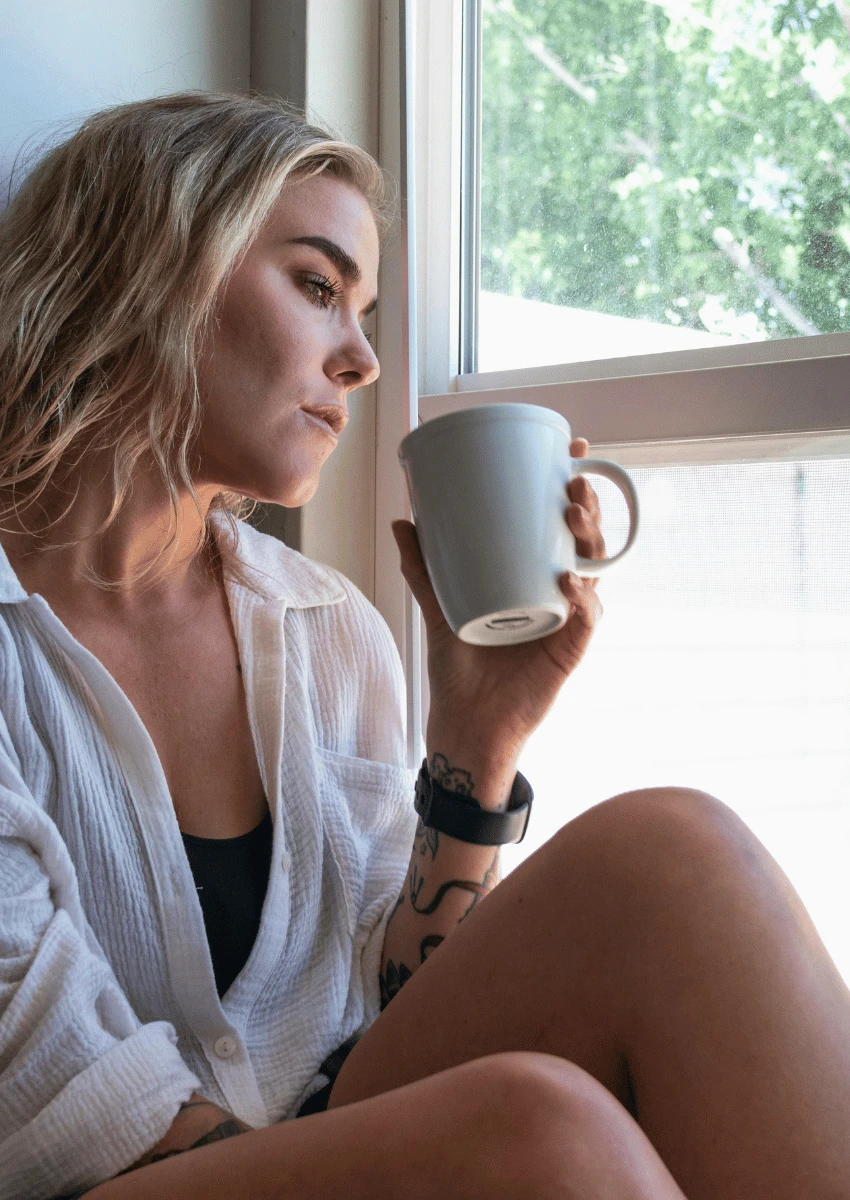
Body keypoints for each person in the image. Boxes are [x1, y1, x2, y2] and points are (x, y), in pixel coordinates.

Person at [0, 91, 848, 1200]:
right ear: (148, 269)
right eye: (317, 287)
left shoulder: (323, 629)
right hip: (96, 1174)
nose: (359, 360)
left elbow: (384, 1009)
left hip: (303, 1130)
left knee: (678, 854)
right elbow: (62, 1105)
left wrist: (475, 745)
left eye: (365, 313)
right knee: (539, 1130)